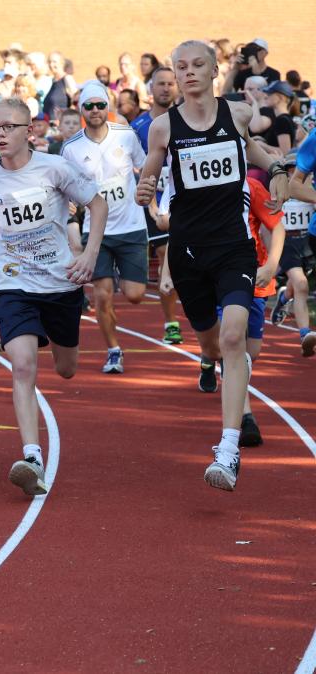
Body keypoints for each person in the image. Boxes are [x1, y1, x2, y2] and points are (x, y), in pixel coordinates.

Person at [135, 40, 291, 492]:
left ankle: (228, 448)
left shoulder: (237, 113)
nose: (188, 73)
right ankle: (210, 361)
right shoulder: (163, 128)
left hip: (233, 247)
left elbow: (253, 151)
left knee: (233, 334)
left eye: (197, 64)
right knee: (211, 345)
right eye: (179, 67)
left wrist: (276, 168)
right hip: (187, 252)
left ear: (213, 69)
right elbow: (149, 173)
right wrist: (144, 191)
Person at [0, 97, 108, 497]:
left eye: (7, 127)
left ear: (28, 131)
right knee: (23, 364)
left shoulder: (56, 167)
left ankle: (58, 342)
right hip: (13, 282)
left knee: (66, 369)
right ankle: (32, 457)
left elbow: (97, 206)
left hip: (61, 281)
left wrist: (88, 255)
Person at [160, 175, 284, 446]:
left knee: (251, 353)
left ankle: (209, 358)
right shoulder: (194, 182)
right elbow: (177, 232)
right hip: (215, 277)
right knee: (231, 344)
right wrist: (167, 271)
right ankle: (245, 418)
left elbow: (277, 225)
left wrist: (271, 266)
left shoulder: (251, 187)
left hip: (253, 276)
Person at [61, 82, 148, 374]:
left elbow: (146, 166)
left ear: (107, 107)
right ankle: (113, 350)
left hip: (132, 225)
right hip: (96, 230)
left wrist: (154, 201)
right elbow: (63, 184)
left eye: (100, 105)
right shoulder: (71, 148)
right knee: (102, 294)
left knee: (135, 294)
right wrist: (69, 206)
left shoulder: (126, 135)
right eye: (89, 106)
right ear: (81, 109)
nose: (95, 110)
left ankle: (123, 275)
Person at [131, 67, 185, 344]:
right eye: (161, 84)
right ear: (151, 89)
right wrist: (151, 201)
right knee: (165, 254)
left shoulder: (186, 119)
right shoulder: (138, 127)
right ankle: (171, 321)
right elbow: (133, 167)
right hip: (152, 201)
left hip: (185, 198)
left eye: (170, 84)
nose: (166, 88)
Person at [275, 135, 316, 356]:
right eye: (288, 168)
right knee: (300, 285)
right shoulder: (280, 190)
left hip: (306, 242)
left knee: (295, 287)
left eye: (294, 168)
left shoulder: (308, 187)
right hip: (288, 243)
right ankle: (304, 333)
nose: (292, 171)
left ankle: (283, 298)